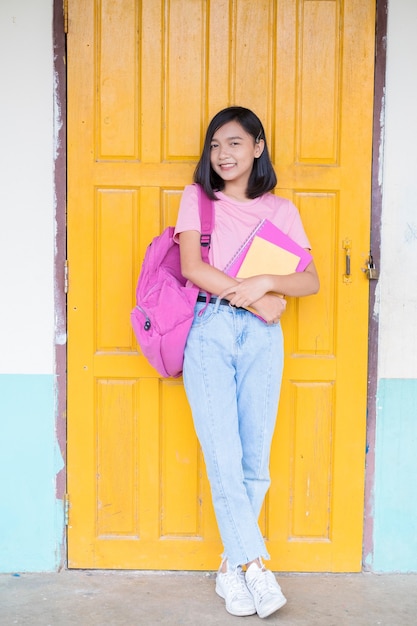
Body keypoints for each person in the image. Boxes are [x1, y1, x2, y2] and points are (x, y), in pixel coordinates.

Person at [174, 106, 319, 619]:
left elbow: (310, 280)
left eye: (234, 143)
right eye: (215, 146)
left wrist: (267, 283)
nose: (223, 155)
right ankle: (254, 564)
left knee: (256, 460)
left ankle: (229, 568)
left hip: (263, 340)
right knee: (224, 456)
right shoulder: (198, 200)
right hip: (210, 331)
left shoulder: (281, 210)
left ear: (258, 147)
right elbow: (193, 268)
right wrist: (255, 298)